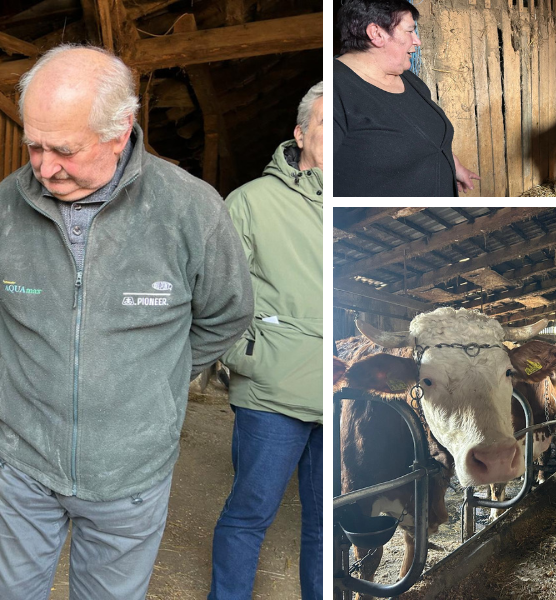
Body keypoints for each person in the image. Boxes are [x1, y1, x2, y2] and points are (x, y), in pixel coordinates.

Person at [0, 45, 254, 599]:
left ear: (121, 132)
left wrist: (155, 381)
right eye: (34, 145)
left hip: (128, 473)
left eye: (63, 149)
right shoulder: (5, 208)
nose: (43, 167)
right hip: (22, 461)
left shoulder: (190, 211)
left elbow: (227, 313)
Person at [208, 82, 323, 600]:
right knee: (250, 513)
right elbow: (212, 293)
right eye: (325, 126)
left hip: (343, 394)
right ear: (300, 134)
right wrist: (249, 355)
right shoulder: (251, 203)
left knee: (327, 523)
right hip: (273, 395)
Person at [334, 0, 480, 196]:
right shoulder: (334, 90)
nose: (417, 41)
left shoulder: (408, 79)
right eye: (410, 31)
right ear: (376, 34)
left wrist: (452, 165)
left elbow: (423, 135)